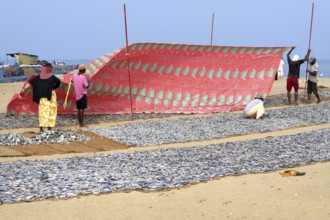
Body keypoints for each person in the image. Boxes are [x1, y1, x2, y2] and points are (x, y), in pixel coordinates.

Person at [30, 61, 61, 133]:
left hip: (41, 97)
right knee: (52, 110)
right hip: (51, 96)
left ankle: (41, 128)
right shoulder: (52, 76)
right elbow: (58, 82)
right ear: (49, 69)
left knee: (42, 111)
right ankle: (49, 127)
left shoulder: (38, 77)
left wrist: (39, 87)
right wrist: (53, 87)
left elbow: (32, 81)